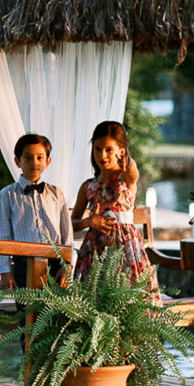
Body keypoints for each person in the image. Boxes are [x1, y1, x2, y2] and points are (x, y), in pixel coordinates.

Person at [72, 120, 160, 301]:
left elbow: (133, 171)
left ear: (121, 151)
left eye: (108, 150)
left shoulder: (126, 179)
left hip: (126, 251)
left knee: (130, 303)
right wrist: (89, 222)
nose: (102, 155)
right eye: (97, 149)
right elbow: (71, 224)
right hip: (95, 253)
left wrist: (127, 158)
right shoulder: (88, 186)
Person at [0, 133, 72, 287]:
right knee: (27, 302)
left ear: (48, 161)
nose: (34, 162)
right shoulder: (7, 195)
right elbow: (2, 236)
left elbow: (67, 234)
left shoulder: (57, 194)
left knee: (55, 303)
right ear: (17, 161)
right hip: (23, 264)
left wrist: (67, 265)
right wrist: (5, 271)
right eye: (28, 157)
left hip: (55, 262)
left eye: (40, 157)